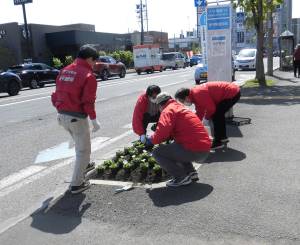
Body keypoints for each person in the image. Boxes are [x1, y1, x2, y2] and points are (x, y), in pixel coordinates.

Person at [51, 44, 101, 194]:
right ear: (89, 59)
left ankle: (84, 166)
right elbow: (88, 101)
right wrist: (94, 120)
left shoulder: (65, 70)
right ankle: (77, 184)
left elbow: (56, 94)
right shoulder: (88, 76)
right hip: (76, 118)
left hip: (61, 116)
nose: (95, 64)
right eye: (94, 61)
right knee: (83, 151)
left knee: (80, 146)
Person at [145, 92, 211, 187]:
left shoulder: (167, 110)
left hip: (194, 150)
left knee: (157, 153)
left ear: (160, 105)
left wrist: (150, 140)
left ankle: (181, 178)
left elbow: (162, 133)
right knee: (176, 144)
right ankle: (191, 173)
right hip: (205, 148)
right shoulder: (180, 107)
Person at [175, 82, 240, 150]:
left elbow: (211, 108)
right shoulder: (194, 95)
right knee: (218, 115)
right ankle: (223, 137)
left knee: (216, 115)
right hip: (231, 92)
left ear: (186, 97)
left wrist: (206, 119)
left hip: (232, 93)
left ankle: (218, 142)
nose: (183, 103)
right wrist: (194, 123)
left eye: (182, 101)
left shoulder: (197, 93)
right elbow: (200, 111)